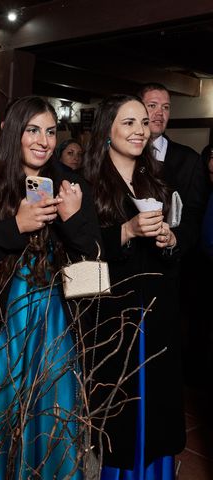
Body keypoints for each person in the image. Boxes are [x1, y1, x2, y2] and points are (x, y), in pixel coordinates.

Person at [0, 96, 102, 479]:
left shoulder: (72, 186)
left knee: (52, 424)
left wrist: (74, 220)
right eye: (33, 130)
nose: (43, 140)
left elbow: (96, 259)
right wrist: (16, 226)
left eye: (50, 131)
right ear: (14, 133)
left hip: (56, 325)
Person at [82, 94, 185, 478]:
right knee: (117, 413)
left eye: (144, 122)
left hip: (156, 315)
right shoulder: (86, 183)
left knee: (157, 409)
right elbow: (76, 257)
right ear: (107, 129)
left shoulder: (154, 179)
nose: (140, 130)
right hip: (111, 318)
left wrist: (170, 242)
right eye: (129, 122)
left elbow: (171, 256)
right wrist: (125, 231)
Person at [139, 83, 211, 388]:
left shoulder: (189, 159)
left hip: (170, 271)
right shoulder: (122, 154)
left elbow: (194, 215)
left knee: (162, 352)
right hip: (127, 267)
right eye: (152, 105)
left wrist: (176, 239)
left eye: (165, 107)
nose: (159, 113)